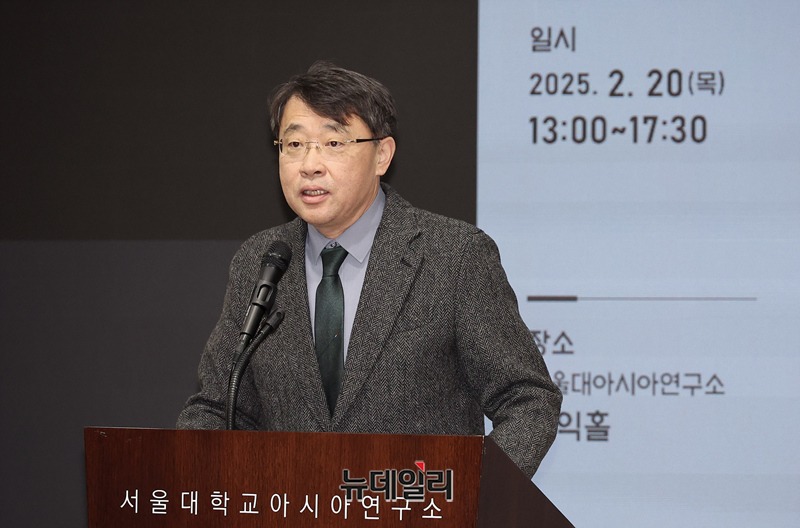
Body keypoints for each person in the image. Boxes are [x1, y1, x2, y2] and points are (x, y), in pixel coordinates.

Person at [177, 61, 562, 478]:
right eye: (294, 144)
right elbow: (218, 407)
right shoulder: (261, 260)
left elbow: (528, 399)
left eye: (333, 143)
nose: (310, 164)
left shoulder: (454, 255)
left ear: (382, 155)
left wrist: (471, 493)